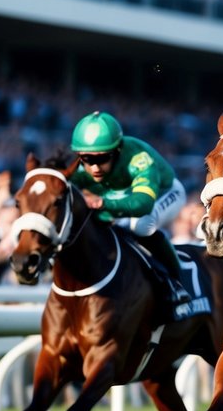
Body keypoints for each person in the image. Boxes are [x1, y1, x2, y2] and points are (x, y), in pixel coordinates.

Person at [69, 110, 190, 307]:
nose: (94, 168)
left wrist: (104, 204)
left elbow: (142, 204)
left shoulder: (138, 158)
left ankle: (176, 282)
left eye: (102, 158)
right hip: (124, 196)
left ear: (117, 150)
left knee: (141, 226)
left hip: (165, 193)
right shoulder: (82, 168)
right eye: (87, 159)